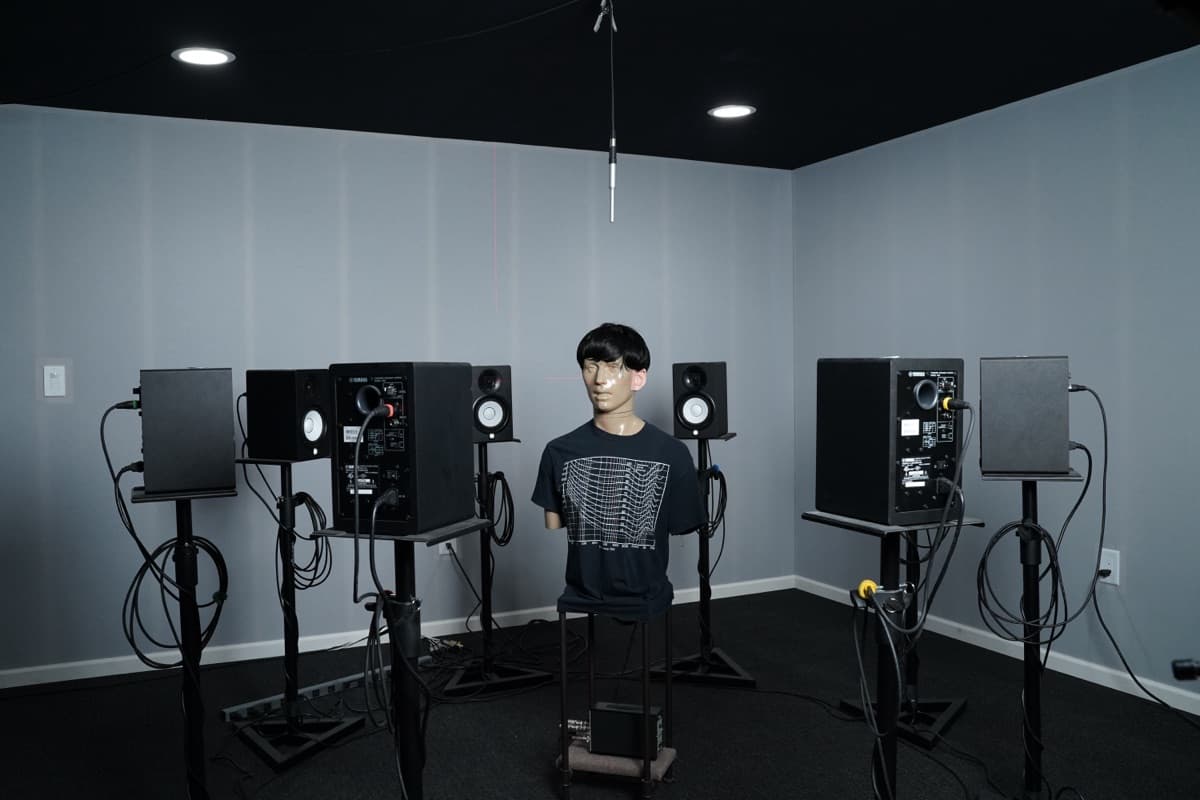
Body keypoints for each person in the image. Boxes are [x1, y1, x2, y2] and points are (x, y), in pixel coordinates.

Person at [532, 322, 703, 619]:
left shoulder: (672, 454)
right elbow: (554, 522)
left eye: (613, 367)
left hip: (646, 592)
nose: (599, 379)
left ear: (638, 378)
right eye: (590, 367)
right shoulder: (558, 452)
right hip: (582, 592)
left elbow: (682, 524)